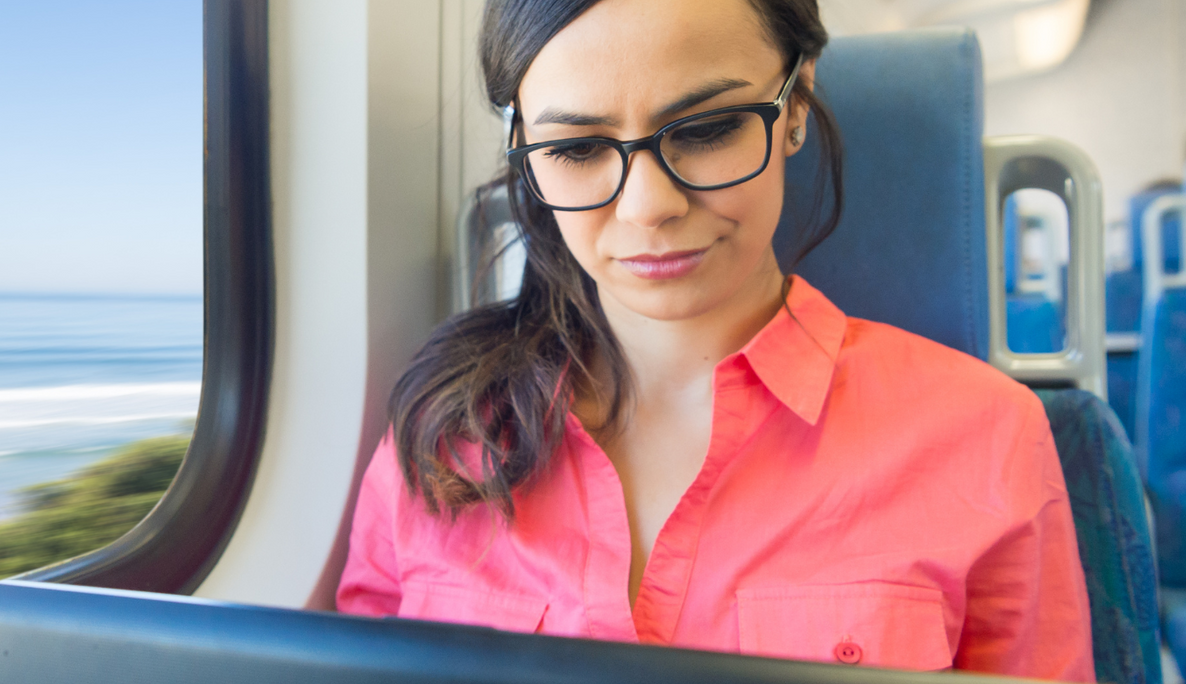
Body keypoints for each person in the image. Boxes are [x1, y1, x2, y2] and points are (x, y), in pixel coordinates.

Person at [334, 0, 1096, 680]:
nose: (648, 207)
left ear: (795, 104)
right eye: (575, 149)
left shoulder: (982, 436)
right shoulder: (442, 440)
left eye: (706, 130)